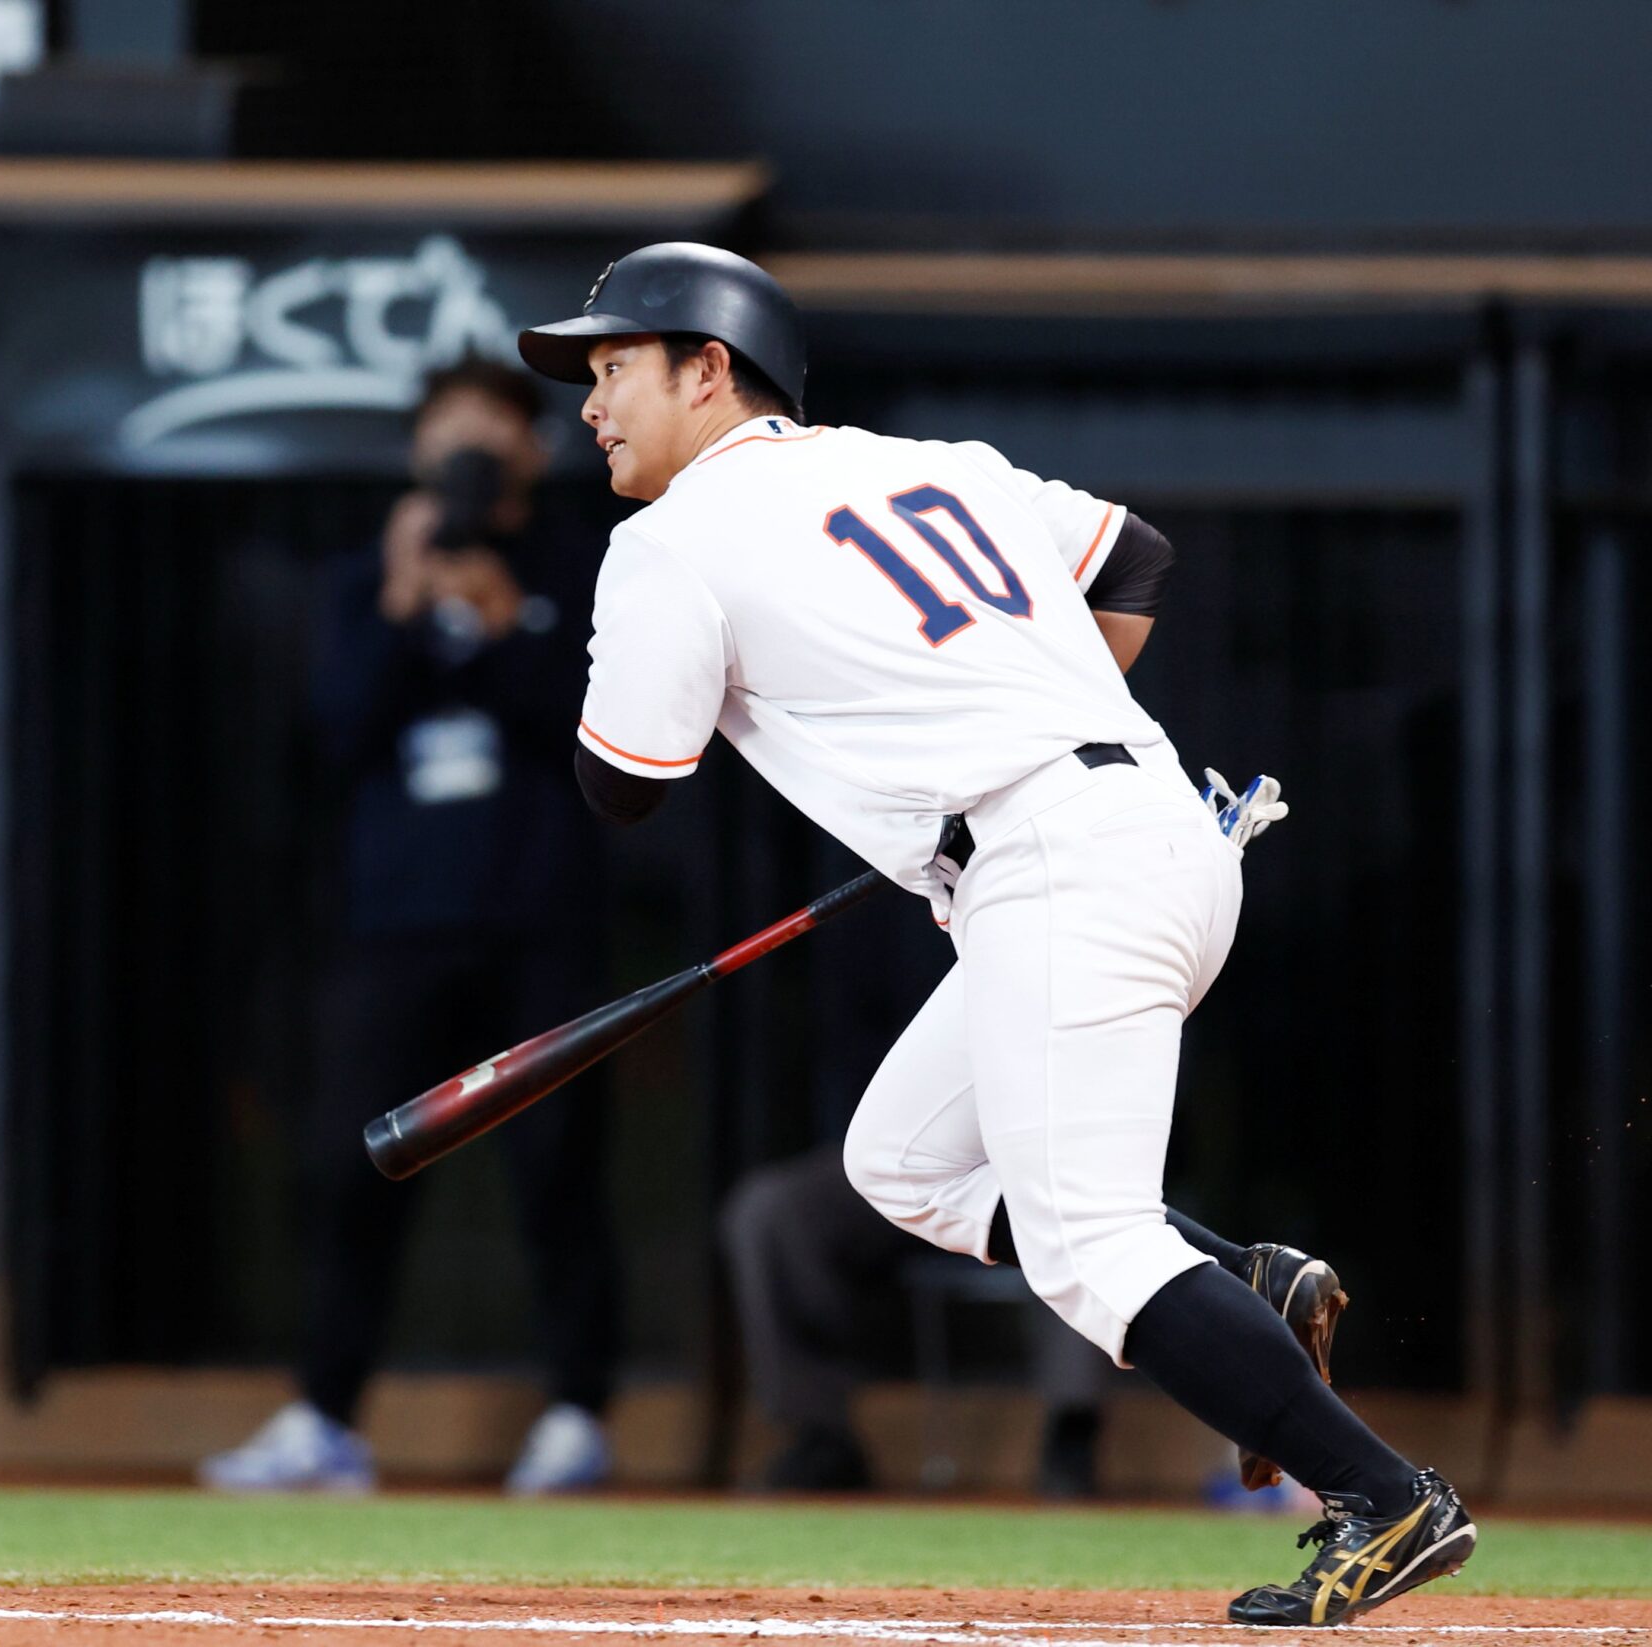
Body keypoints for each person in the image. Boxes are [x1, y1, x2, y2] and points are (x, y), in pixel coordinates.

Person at [518, 243, 1474, 1624]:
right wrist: (1016, 725)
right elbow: (1133, 557)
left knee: (1090, 1244)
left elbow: (623, 785)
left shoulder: (673, 538)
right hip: (1155, 829)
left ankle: (1385, 1496)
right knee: (900, 1162)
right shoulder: (931, 464)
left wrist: (983, 766)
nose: (592, 405)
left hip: (1060, 862)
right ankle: (1242, 1281)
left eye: (615, 368)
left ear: (709, 369)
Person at [200, 356, 623, 1496]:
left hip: (537, 922)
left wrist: (508, 623)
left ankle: (577, 1413)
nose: (468, 448)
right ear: (416, 452)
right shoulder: (363, 578)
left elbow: (602, 734)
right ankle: (325, 1417)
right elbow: (333, 732)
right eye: (448, 428)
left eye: (491, 426)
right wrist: (401, 604)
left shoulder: (580, 569)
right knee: (354, 1169)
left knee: (555, 1167)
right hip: (395, 928)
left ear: (533, 449)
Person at [719, 1144, 1109, 1497]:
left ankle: (1071, 1433)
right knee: (769, 1208)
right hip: (915, 1160)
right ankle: (822, 1437)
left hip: (1041, 1161)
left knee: (1078, 1204)